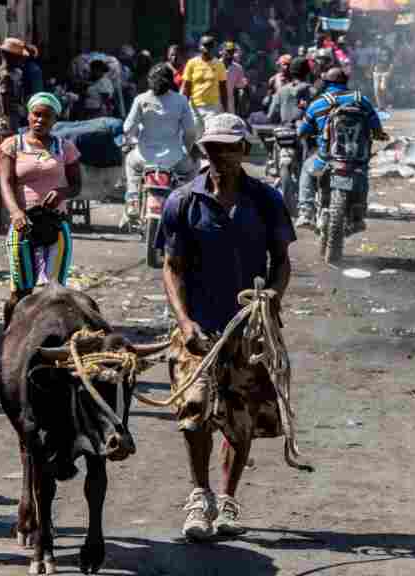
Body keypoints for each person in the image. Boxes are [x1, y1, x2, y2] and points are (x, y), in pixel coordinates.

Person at [156, 113, 295, 541]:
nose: (220, 156)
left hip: (249, 332)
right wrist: (184, 320)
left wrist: (271, 298)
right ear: (204, 153)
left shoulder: (266, 200)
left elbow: (282, 263)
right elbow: (171, 267)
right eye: (213, 149)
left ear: (244, 151)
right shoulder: (182, 201)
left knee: (240, 418)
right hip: (198, 330)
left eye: (229, 148)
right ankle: (200, 496)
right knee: (194, 413)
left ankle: (228, 501)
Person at [0, 93, 82, 326]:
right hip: (23, 225)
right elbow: (5, 182)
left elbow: (76, 185)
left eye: (47, 116)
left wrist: (62, 192)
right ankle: (9, 337)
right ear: (29, 114)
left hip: (56, 225)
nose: (40, 120)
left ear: (55, 119)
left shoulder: (65, 148)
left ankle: (46, 340)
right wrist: (15, 212)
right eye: (36, 114)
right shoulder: (12, 145)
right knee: (21, 292)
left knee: (53, 292)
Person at [296, 67, 384, 232]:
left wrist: (305, 132)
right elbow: (376, 126)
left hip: (326, 158)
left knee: (307, 169)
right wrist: (380, 134)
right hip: (356, 159)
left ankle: (306, 212)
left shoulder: (317, 103)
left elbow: (303, 131)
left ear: (326, 82)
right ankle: (358, 214)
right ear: (345, 82)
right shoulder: (360, 99)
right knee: (363, 173)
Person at [123, 63, 197, 225]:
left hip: (143, 157)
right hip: (174, 158)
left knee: (130, 162)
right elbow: (190, 132)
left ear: (150, 81)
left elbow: (128, 128)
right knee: (193, 167)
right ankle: (185, 202)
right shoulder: (181, 100)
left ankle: (133, 199)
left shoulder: (141, 99)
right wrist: (187, 149)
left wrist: (131, 140)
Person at [181, 36, 229, 140]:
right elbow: (187, 87)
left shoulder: (219, 65)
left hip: (212, 107)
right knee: (195, 136)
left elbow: (223, 88)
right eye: (205, 46)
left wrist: (225, 108)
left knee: (210, 136)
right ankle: (197, 156)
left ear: (214, 49)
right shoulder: (192, 63)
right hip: (194, 107)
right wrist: (182, 107)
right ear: (200, 47)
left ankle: (208, 156)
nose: (207, 50)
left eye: (210, 47)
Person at [0, 37, 34, 145]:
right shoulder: (6, 77)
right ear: (10, 57)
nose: (23, 60)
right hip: (6, 129)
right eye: (20, 57)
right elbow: (6, 108)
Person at [221, 42, 249, 119]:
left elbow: (240, 86)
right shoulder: (216, 65)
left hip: (230, 102)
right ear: (222, 51)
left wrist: (244, 86)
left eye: (232, 51)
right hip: (215, 102)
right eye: (228, 51)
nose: (230, 53)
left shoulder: (238, 68)